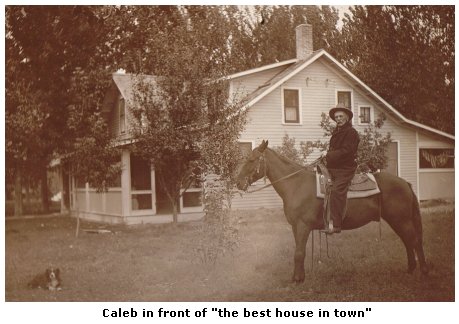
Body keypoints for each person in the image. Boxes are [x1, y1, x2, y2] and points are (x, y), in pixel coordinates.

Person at [321, 103, 360, 234]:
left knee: (337, 190)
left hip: (345, 169)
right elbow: (334, 150)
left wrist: (329, 155)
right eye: (336, 117)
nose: (338, 119)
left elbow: (347, 151)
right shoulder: (337, 132)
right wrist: (325, 158)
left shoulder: (351, 133)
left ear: (347, 117)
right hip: (334, 168)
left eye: (341, 116)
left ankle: (336, 224)